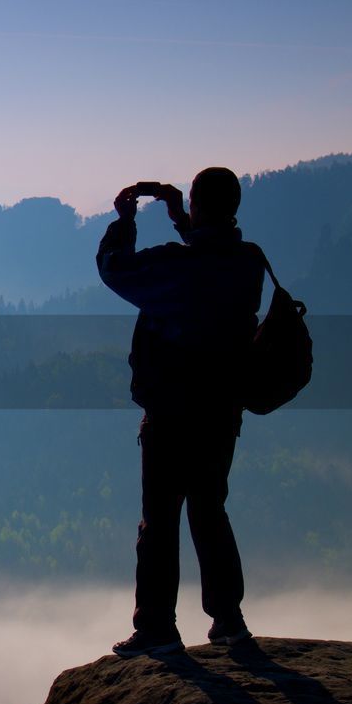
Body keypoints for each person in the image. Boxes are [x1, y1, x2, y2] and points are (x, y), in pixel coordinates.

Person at [96, 167, 265, 657]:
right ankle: (229, 620)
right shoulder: (248, 263)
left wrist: (125, 220)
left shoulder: (174, 266)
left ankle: (156, 628)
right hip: (222, 410)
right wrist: (182, 220)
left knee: (160, 520)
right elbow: (214, 257)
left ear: (196, 203)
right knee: (210, 511)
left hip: (171, 410)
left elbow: (114, 268)